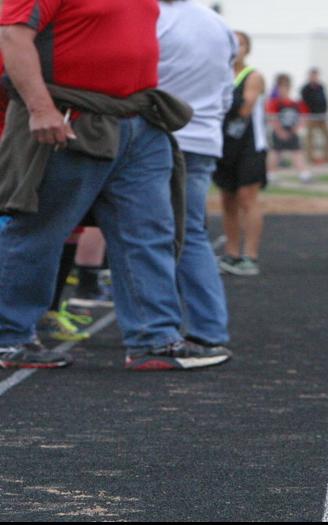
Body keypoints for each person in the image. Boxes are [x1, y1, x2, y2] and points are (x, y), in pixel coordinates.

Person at [0, 0, 229, 371]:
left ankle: (154, 338)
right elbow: (12, 34)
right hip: (74, 117)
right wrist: (41, 108)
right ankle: (9, 337)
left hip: (136, 120)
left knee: (150, 231)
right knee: (38, 229)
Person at [157, 0, 237, 350]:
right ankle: (208, 326)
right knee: (191, 232)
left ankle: (158, 326)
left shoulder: (151, 16)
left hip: (160, 136)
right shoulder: (217, 24)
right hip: (203, 136)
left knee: (149, 233)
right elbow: (226, 91)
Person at [213, 30, 267, 277]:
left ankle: (250, 255)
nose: (236, 48)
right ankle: (232, 253)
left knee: (247, 199)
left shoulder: (252, 76)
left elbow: (244, 109)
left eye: (241, 44)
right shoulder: (217, 74)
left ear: (248, 48)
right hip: (224, 145)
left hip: (250, 146)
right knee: (227, 201)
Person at [266, 72, 309, 181]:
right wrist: (279, 131)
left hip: (291, 131)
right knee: (275, 153)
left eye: (286, 87)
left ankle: (303, 174)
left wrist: (295, 130)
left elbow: (303, 118)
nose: (284, 89)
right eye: (281, 87)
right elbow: (272, 118)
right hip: (279, 131)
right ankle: (270, 174)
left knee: (297, 152)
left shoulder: (296, 103)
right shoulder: (274, 103)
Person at [301, 68, 328, 164]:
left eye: (316, 76)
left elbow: (325, 100)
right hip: (311, 117)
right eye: (312, 76)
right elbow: (304, 104)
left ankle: (326, 156)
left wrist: (325, 112)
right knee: (310, 138)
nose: (314, 78)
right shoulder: (305, 89)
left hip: (322, 117)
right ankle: (310, 158)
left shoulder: (321, 87)